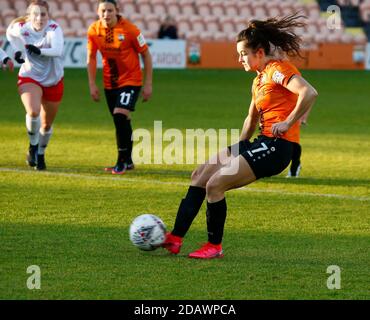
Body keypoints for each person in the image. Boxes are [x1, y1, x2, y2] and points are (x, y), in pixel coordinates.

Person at [162, 14, 318, 259]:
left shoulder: (277, 70)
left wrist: (288, 122)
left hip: (278, 147)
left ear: (258, 52)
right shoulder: (259, 80)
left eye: (243, 54)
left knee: (216, 184)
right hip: (259, 142)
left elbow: (309, 92)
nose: (239, 59)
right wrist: (239, 146)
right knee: (201, 173)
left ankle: (214, 246)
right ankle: (175, 238)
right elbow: (251, 118)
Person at [87, 0, 153, 174]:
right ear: (97, 12)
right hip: (110, 83)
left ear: (117, 11)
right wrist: (92, 83)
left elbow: (146, 55)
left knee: (119, 115)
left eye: (110, 10)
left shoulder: (131, 30)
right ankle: (129, 160)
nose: (106, 14)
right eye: (103, 11)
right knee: (122, 121)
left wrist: (148, 83)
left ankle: (121, 161)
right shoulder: (94, 30)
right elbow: (92, 58)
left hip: (131, 81)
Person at [6, 0, 64, 171]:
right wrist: (18, 50)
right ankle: (33, 146)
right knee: (33, 111)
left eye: (43, 14)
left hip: (54, 80)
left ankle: (41, 153)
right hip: (30, 76)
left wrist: (39, 50)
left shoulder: (54, 29)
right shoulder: (22, 27)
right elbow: (10, 34)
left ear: (49, 15)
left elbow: (57, 50)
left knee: (46, 125)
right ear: (29, 16)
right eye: (35, 14)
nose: (40, 18)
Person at [286, 106, 312, 177]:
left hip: (292, 115)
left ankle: (295, 166)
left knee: (292, 141)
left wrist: (304, 117)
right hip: (276, 114)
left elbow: (310, 97)